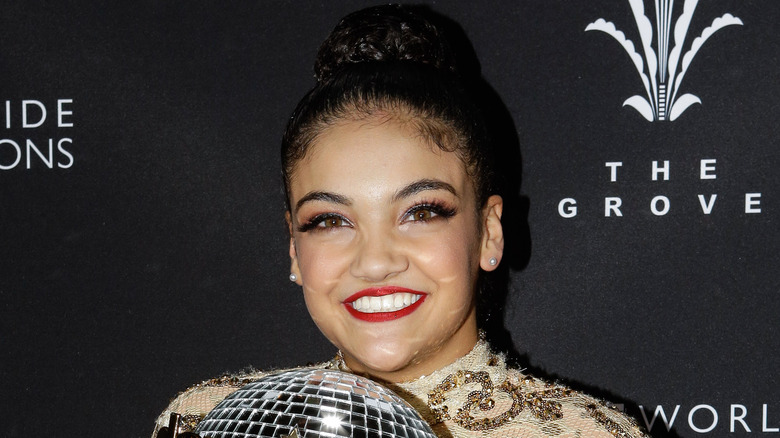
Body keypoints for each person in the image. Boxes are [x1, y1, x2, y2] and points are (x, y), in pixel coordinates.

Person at [152, 5, 649, 437]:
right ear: (293, 249)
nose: (374, 262)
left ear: (489, 232)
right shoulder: (213, 422)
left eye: (421, 212)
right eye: (329, 221)